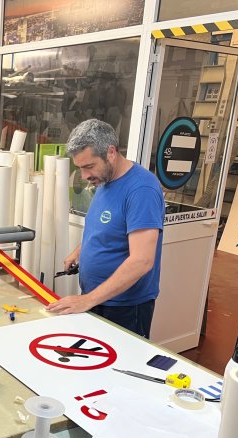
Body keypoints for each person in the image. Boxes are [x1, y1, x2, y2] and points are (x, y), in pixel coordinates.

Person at [47, 119, 165, 339]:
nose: (84, 176)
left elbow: (142, 260)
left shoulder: (142, 190)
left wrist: (87, 300)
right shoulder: (105, 180)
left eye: (88, 166)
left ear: (111, 152)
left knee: (120, 368)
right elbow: (106, 228)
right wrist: (80, 251)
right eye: (80, 168)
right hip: (97, 298)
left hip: (125, 307)